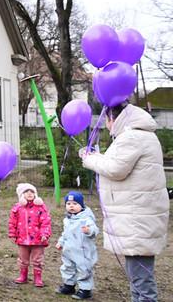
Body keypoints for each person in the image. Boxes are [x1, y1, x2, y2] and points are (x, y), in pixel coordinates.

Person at [81, 102, 169, 301]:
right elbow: (118, 163)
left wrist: (89, 159)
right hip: (139, 214)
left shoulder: (132, 137)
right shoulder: (140, 135)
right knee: (137, 274)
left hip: (137, 216)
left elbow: (115, 169)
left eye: (107, 119)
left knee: (141, 277)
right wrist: (96, 157)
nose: (107, 125)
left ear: (114, 118)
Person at [55, 191, 98, 300]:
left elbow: (94, 230)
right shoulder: (67, 219)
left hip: (82, 251)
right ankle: (69, 285)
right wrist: (61, 242)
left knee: (84, 269)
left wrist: (89, 230)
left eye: (75, 204)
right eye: (68, 204)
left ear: (81, 205)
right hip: (69, 250)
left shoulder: (86, 218)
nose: (71, 206)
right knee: (67, 267)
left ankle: (85, 289)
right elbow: (65, 233)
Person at [8, 183, 52, 287]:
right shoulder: (17, 208)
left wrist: (44, 234)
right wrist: (12, 233)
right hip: (22, 238)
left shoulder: (40, 207)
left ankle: (38, 277)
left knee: (37, 259)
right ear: (21, 195)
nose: (29, 193)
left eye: (32, 191)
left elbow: (46, 222)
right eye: (26, 192)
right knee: (23, 259)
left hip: (38, 239)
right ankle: (23, 275)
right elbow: (12, 222)